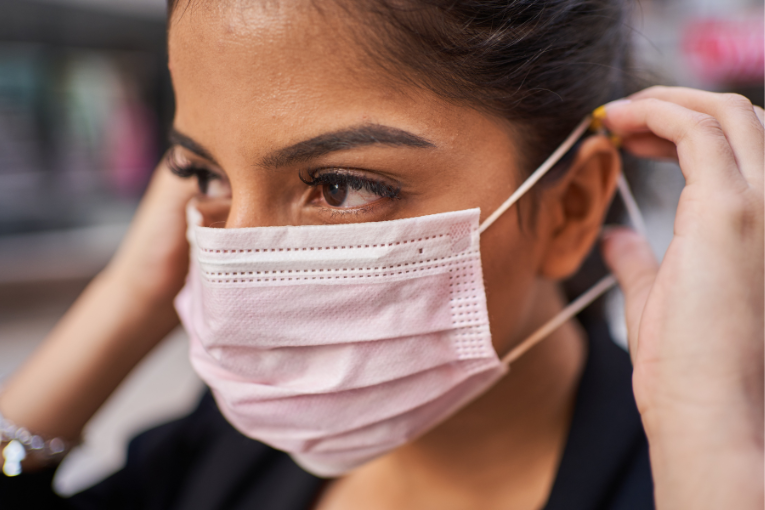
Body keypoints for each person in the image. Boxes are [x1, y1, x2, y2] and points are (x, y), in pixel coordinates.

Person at [1, 0, 762, 508]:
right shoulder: (229, 452)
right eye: (204, 175)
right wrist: (127, 298)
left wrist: (708, 440)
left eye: (338, 186)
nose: (236, 265)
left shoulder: (685, 477)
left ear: (569, 206)